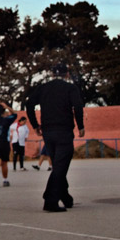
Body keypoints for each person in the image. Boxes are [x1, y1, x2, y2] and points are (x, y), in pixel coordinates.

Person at [26, 64, 84, 212]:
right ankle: (50, 200)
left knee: (58, 165)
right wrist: (80, 126)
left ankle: (66, 197)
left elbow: (29, 104)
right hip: (64, 131)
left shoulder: (43, 88)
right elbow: (77, 106)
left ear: (52, 74)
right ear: (67, 74)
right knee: (60, 166)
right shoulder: (70, 88)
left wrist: (35, 125)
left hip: (48, 132)